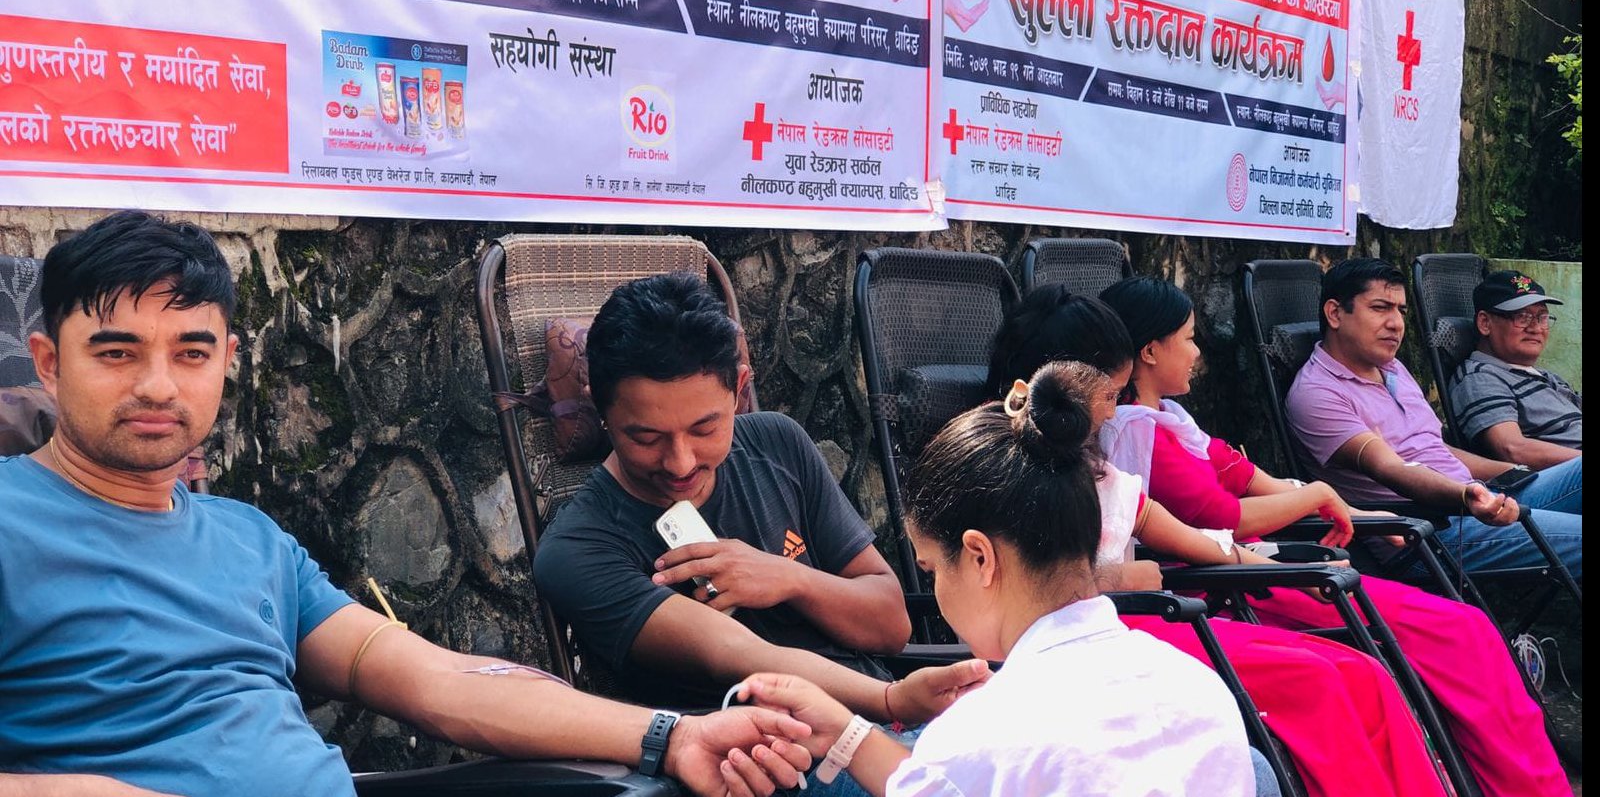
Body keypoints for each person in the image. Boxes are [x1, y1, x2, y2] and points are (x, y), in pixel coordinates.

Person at [0, 211, 812, 797]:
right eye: (116, 352)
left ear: (227, 360)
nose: (157, 385)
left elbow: (441, 683)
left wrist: (673, 735)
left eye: (190, 352)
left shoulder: (251, 542)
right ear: (49, 362)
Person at [1099, 275, 1568, 797]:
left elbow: (1252, 479)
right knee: (1447, 637)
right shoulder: (1136, 432)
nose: (1197, 352)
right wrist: (1320, 498)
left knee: (1465, 628)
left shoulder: (1175, 421)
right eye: (1188, 339)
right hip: (1224, 578)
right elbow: (1222, 516)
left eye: (1400, 310)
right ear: (1149, 351)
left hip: (1260, 562)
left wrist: (1355, 513)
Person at [531, 272, 987, 796]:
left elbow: (890, 625)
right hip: (783, 759)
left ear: (739, 388)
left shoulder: (777, 443)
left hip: (894, 727)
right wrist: (889, 700)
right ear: (601, 408)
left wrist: (788, 578)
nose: (680, 462)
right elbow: (736, 653)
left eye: (705, 429)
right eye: (646, 437)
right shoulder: (579, 549)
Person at [988, 286, 1444, 797]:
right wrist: (1121, 577)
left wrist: (1289, 575)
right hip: (1107, 629)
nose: (1116, 414)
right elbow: (1020, 584)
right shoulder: (1004, 468)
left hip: (1139, 615)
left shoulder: (1096, 466)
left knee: (1359, 671)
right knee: (1319, 678)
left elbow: (1195, 539)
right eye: (1112, 396)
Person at [731, 362, 1255, 796]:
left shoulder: (978, 739)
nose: (936, 589)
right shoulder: (1199, 688)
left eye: (933, 569)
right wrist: (850, 733)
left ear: (980, 557)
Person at [1284, 258, 1581, 581]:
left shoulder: (1392, 368)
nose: (1396, 324)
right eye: (1381, 308)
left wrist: (1513, 473)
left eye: (1401, 311)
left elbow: (1436, 448)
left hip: (1479, 500)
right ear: (1335, 313)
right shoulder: (1317, 393)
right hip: (1428, 534)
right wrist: (1466, 496)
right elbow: (1392, 468)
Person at [1449, 269, 1581, 467]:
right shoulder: (1480, 377)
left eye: (1542, 318)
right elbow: (1512, 448)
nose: (1536, 328)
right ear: (1485, 323)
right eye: (1522, 317)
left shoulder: (1544, 376)